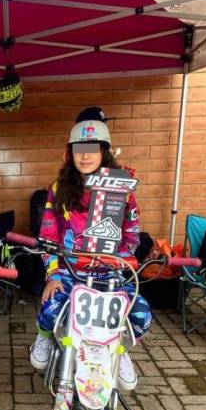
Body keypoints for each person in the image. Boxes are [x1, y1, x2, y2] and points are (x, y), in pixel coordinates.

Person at [30, 107, 152, 389]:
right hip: (70, 270)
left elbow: (131, 234)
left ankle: (118, 349)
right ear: (70, 153)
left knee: (140, 314)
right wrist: (54, 273)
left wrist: (121, 261)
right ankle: (45, 337)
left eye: (92, 149)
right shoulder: (58, 188)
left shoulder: (123, 189)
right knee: (50, 307)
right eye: (78, 149)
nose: (85, 155)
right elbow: (49, 234)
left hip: (110, 273)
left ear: (104, 152)